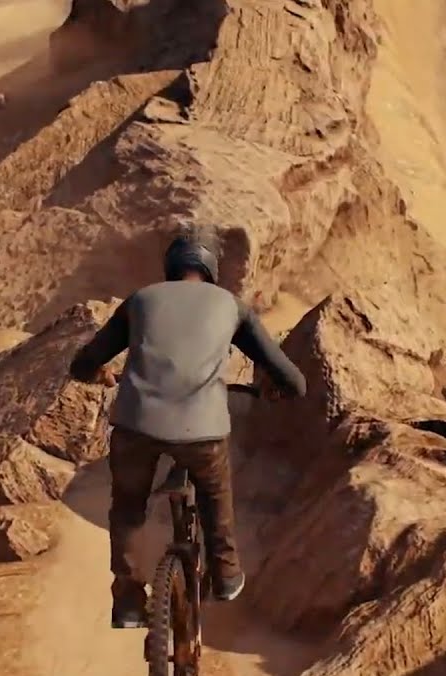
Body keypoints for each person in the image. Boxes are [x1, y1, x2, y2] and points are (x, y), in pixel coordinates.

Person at [68, 225, 308, 629]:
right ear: (211, 269)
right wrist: (275, 392)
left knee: (128, 508)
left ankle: (128, 603)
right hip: (203, 430)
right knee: (214, 491)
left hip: (135, 426)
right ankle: (226, 574)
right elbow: (295, 382)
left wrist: (99, 374)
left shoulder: (141, 300)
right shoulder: (231, 307)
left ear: (171, 266)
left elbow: (83, 363)